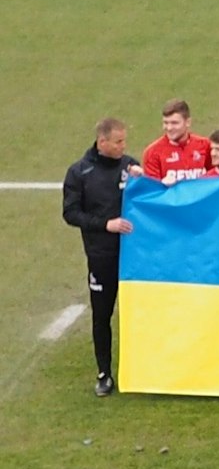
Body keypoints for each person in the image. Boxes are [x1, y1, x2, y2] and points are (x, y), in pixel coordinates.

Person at [62, 117, 142, 396]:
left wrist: (144, 180)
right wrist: (106, 224)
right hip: (101, 256)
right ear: (102, 142)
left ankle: (143, 368)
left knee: (139, 312)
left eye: (124, 140)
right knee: (102, 315)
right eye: (118, 142)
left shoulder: (129, 166)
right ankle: (104, 373)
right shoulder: (79, 172)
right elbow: (71, 213)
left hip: (134, 255)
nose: (123, 146)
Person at [142, 99, 211, 182]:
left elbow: (218, 177)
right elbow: (152, 188)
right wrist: (163, 184)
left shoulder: (205, 145)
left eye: (174, 123)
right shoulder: (152, 153)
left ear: (188, 122)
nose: (169, 128)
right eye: (166, 123)